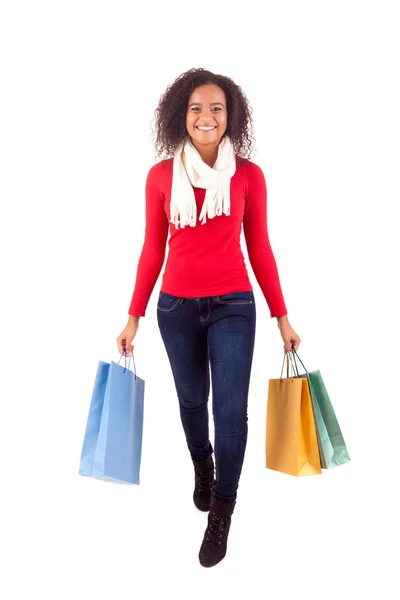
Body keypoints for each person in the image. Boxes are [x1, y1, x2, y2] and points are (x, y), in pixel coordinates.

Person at [116, 67, 301, 568]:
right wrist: (133, 315)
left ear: (230, 116)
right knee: (193, 405)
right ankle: (203, 464)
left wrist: (281, 316)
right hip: (175, 308)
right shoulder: (159, 176)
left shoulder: (248, 176)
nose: (206, 116)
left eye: (216, 107)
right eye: (196, 107)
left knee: (231, 412)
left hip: (234, 306)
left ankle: (222, 508)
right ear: (182, 114)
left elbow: (259, 248)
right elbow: (153, 249)